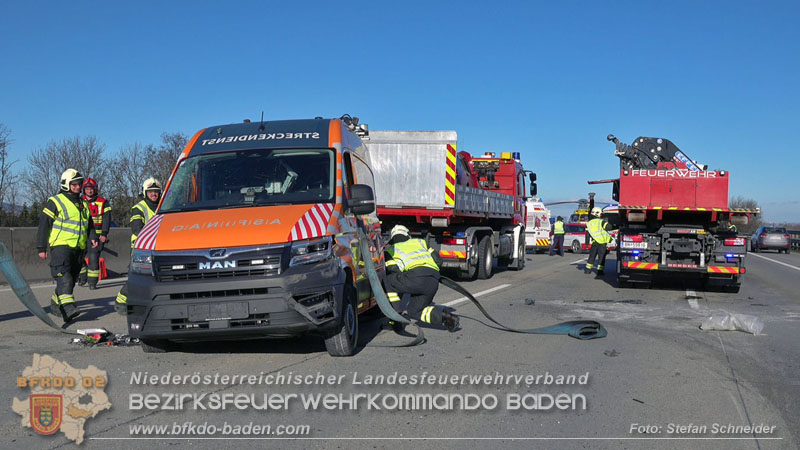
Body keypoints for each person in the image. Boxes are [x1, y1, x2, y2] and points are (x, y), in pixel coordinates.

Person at [36, 169, 98, 322]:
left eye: (79, 184)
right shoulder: (55, 201)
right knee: (65, 277)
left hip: (78, 248)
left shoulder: (83, 203)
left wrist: (93, 237)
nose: (78, 187)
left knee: (72, 278)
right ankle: (68, 309)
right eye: (74, 184)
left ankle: (56, 303)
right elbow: (44, 225)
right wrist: (41, 247)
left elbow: (88, 224)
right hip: (60, 247)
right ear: (66, 185)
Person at [384, 225, 459, 332]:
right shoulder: (421, 242)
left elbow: (393, 270)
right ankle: (446, 317)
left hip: (414, 278)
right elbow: (438, 261)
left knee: (389, 281)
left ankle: (396, 317)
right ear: (408, 235)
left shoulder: (391, 249)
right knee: (414, 312)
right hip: (432, 281)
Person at [115, 178, 161, 314]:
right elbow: (137, 229)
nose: (154, 194)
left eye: (156, 192)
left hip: (157, 247)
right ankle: (121, 301)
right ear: (145, 192)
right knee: (138, 275)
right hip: (140, 248)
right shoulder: (138, 208)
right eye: (151, 192)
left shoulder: (162, 207)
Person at [77, 178, 111, 289]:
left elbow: (107, 219)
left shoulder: (103, 202)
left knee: (93, 259)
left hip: (97, 235)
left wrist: (104, 234)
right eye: (87, 189)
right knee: (78, 257)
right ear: (83, 190)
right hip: (81, 235)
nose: (89, 191)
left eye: (91, 189)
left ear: (95, 189)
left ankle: (92, 282)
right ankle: (82, 277)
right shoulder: (79, 201)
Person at [584, 207, 614, 277]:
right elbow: (609, 227)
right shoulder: (601, 222)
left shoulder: (589, 223)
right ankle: (600, 271)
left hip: (594, 242)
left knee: (592, 256)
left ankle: (588, 270)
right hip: (602, 243)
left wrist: (587, 244)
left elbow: (587, 235)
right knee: (601, 257)